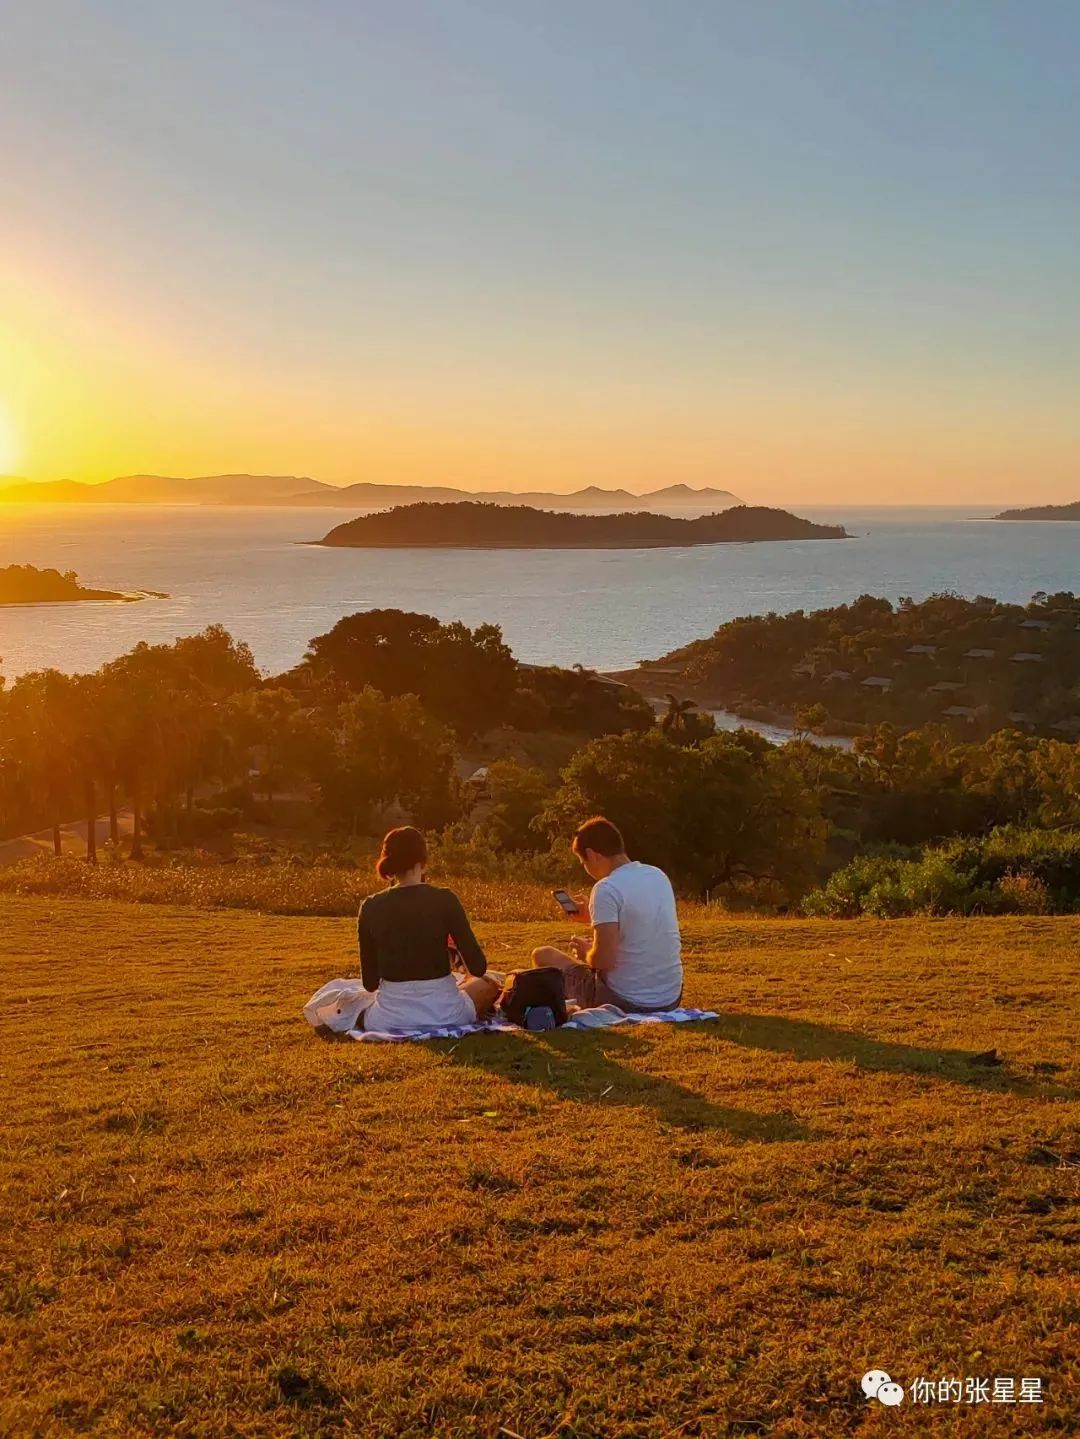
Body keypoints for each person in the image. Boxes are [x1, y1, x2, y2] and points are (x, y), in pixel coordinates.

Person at [532, 816, 683, 1012]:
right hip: (669, 998)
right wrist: (593, 918)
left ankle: (545, 1012)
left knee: (543, 955)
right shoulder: (657, 875)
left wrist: (586, 952)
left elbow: (603, 961)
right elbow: (638, 926)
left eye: (583, 862)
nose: (586, 869)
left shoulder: (606, 888)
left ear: (592, 855)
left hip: (625, 1000)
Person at [358, 826, 501, 1031]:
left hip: (389, 1019)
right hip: (446, 1014)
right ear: (422, 862)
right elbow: (478, 967)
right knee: (488, 983)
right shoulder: (445, 899)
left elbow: (370, 984)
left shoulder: (371, 906)